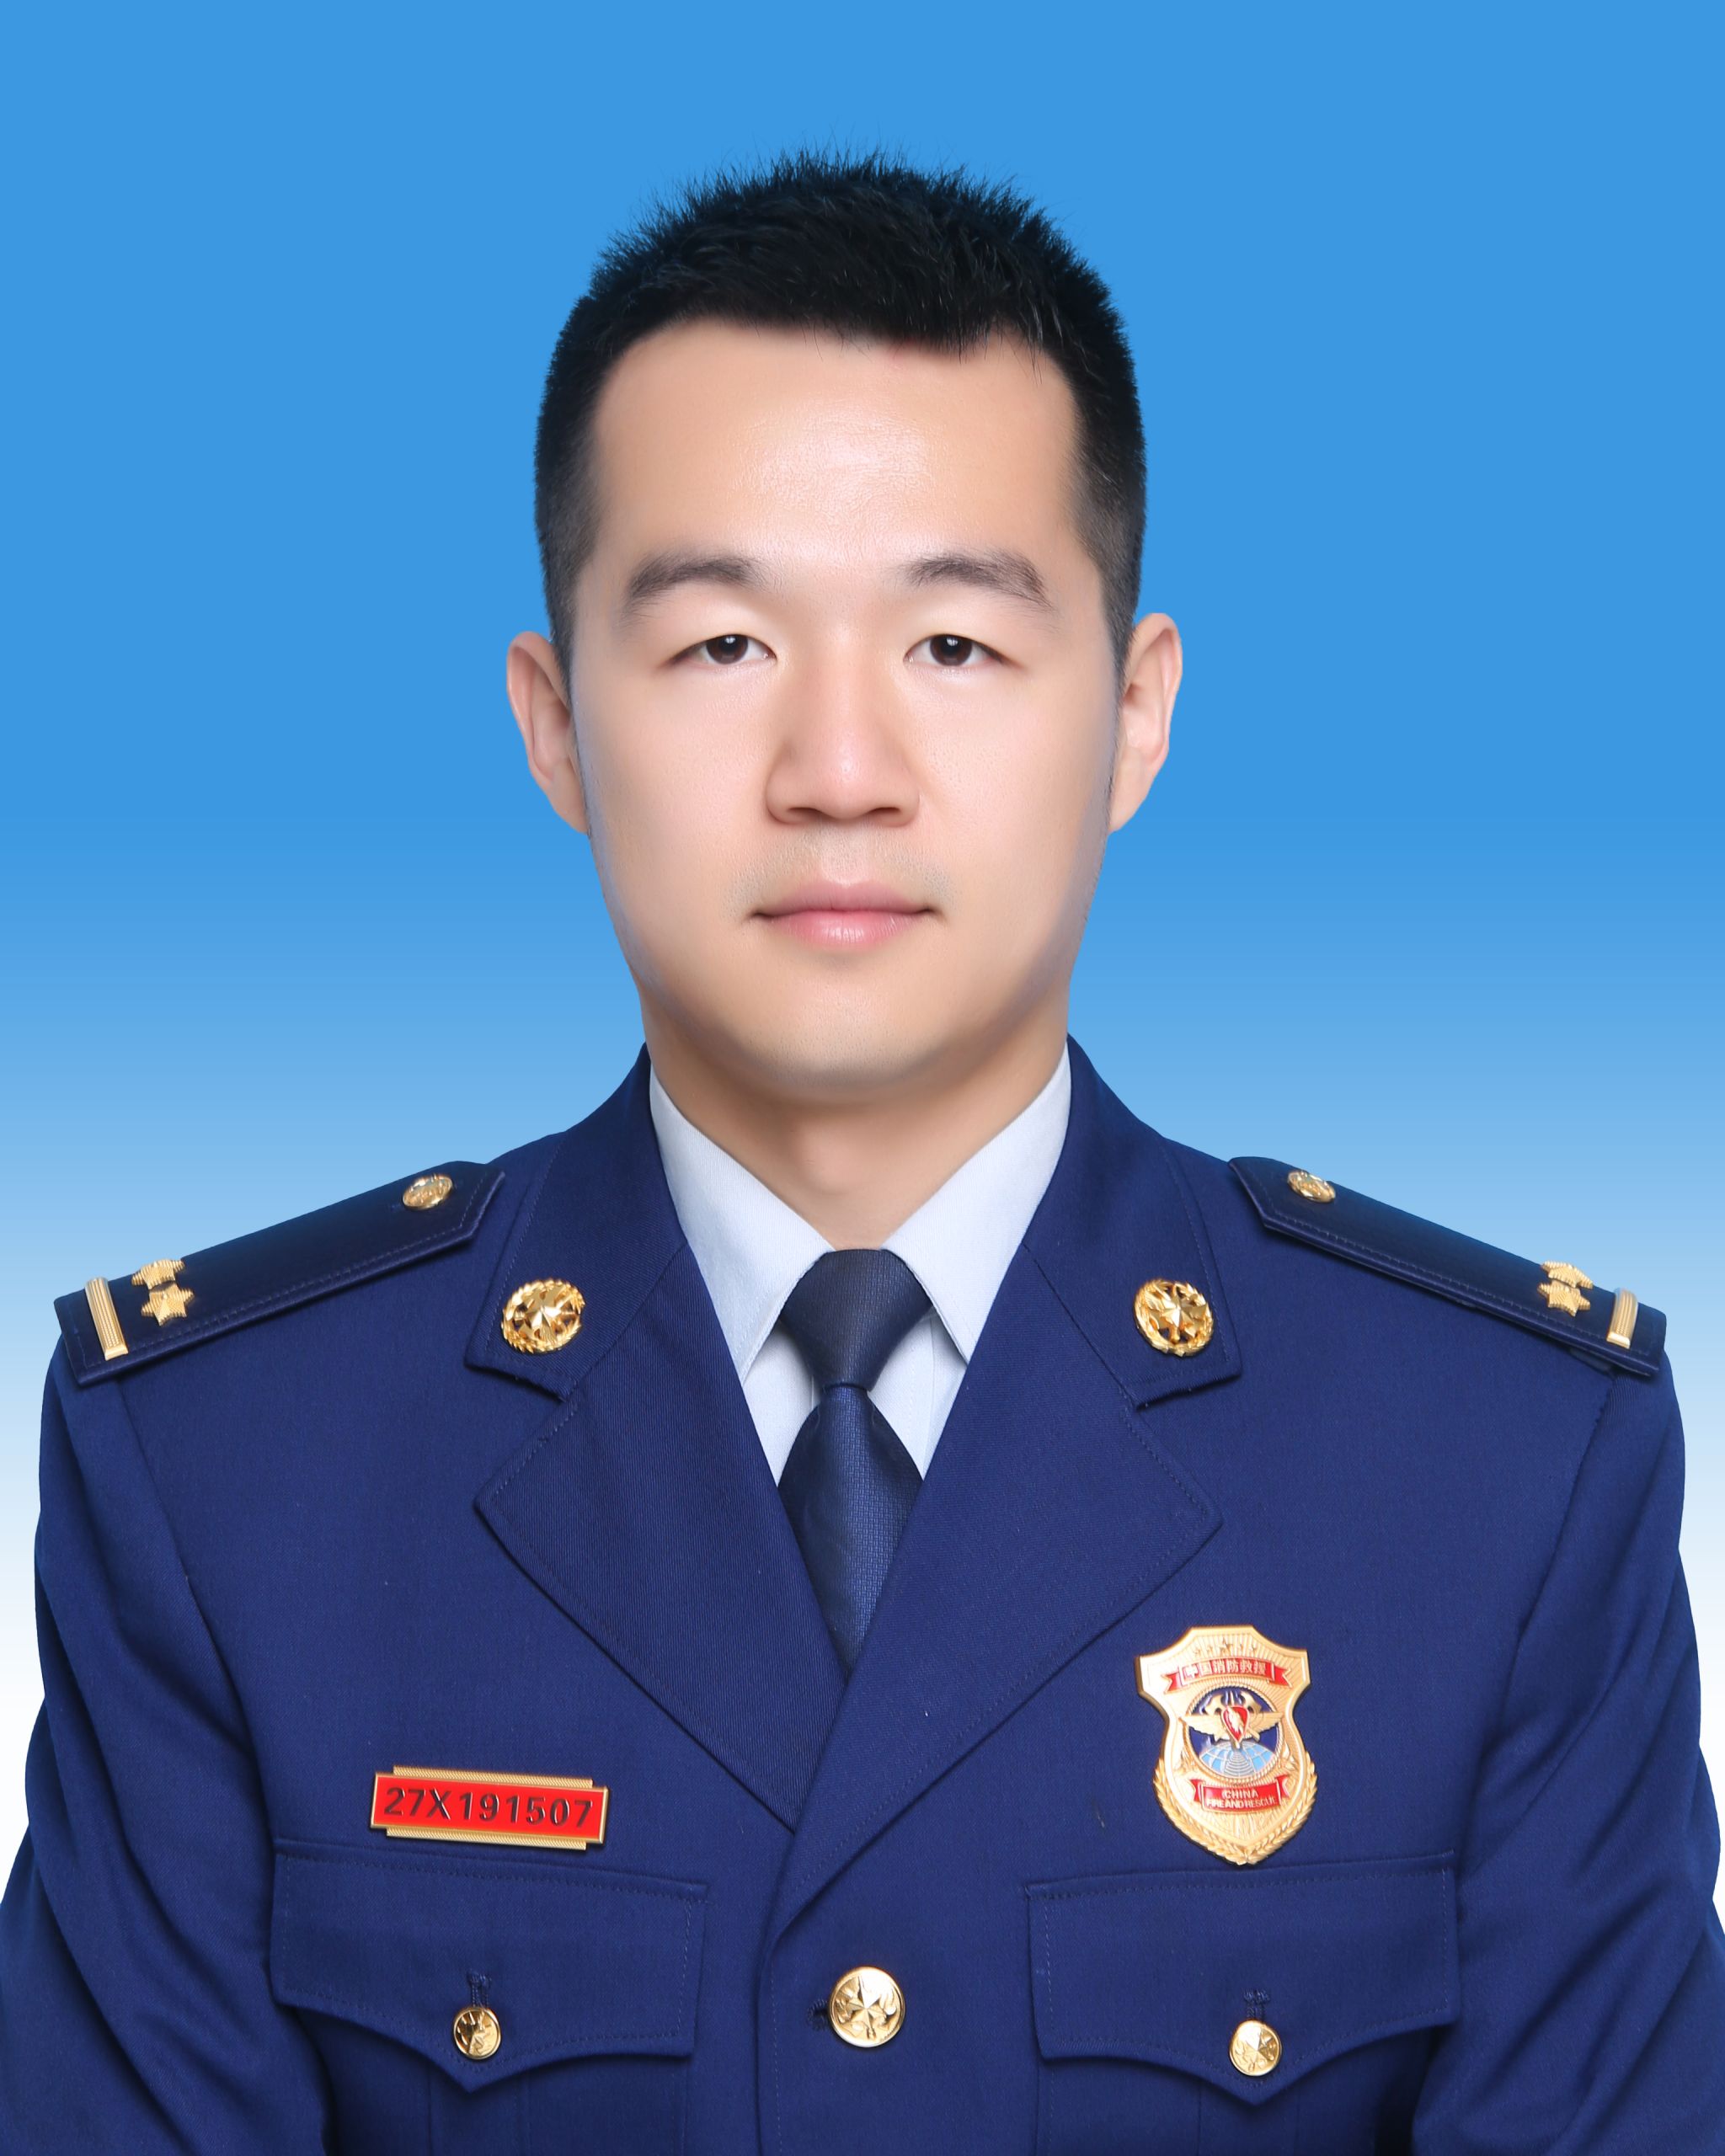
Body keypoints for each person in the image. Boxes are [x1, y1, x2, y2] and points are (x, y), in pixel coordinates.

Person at [0, 149, 1719, 2156]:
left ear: (1134, 714)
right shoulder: (227, 1463)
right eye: (724, 645)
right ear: (553, 723)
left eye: (953, 647)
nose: (837, 772)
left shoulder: (1501, 1465)